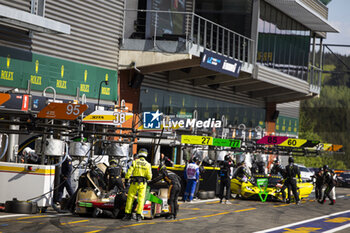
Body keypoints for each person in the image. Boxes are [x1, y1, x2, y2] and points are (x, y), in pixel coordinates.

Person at [122, 148, 152, 222]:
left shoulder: (135, 162)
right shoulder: (148, 164)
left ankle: (127, 215)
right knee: (141, 199)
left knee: (130, 198)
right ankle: (138, 216)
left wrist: (126, 179)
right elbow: (149, 176)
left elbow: (129, 172)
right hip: (143, 184)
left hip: (134, 183)